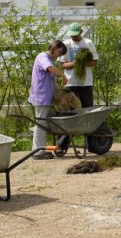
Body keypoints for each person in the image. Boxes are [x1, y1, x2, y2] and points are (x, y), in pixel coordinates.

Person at [56, 22, 99, 150]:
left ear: (81, 32)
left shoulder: (88, 43)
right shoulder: (67, 44)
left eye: (76, 35)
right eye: (72, 35)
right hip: (70, 83)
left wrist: (84, 62)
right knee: (67, 112)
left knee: (87, 112)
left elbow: (94, 63)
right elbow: (62, 65)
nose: (74, 37)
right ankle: (62, 144)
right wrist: (76, 62)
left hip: (86, 83)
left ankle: (91, 143)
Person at [28, 40, 68, 160]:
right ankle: (37, 151)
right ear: (54, 48)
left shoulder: (49, 60)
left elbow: (50, 80)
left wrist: (58, 92)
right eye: (59, 53)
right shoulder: (43, 57)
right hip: (41, 97)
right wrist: (63, 75)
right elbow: (50, 68)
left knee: (43, 123)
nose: (58, 56)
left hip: (46, 98)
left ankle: (40, 149)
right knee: (40, 124)